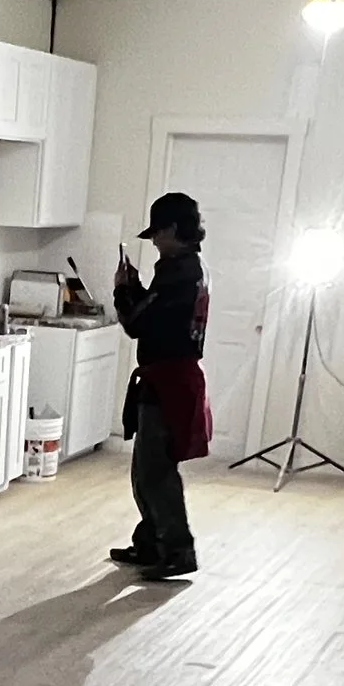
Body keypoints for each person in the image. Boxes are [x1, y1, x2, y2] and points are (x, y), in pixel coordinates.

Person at [110, 192, 212, 578]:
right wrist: (136, 289)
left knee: (155, 471)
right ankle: (151, 542)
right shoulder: (193, 269)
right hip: (172, 377)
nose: (153, 241)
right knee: (146, 469)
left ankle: (177, 550)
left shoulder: (176, 272)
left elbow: (137, 324)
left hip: (168, 379)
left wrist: (123, 289)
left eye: (156, 233)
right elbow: (152, 317)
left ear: (171, 230)